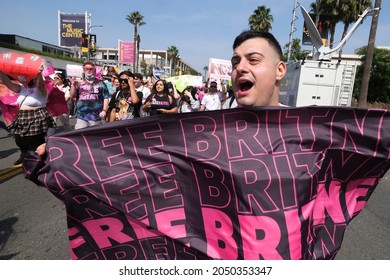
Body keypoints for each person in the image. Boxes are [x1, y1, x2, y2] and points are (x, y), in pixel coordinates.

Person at [0, 68, 55, 165]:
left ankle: (39, 160)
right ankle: (24, 155)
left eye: (31, 77)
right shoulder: (22, 88)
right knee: (19, 139)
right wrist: (1, 72)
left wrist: (38, 74)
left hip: (36, 117)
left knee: (34, 141)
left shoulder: (41, 90)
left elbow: (41, 84)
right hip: (22, 117)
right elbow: (8, 83)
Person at [230, 30, 286, 107]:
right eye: (236, 63)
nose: (240, 67)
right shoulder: (217, 119)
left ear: (279, 70)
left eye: (253, 60)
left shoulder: (303, 119)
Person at [69, 62, 110, 130]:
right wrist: (73, 85)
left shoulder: (101, 83)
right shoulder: (79, 83)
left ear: (94, 70)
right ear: (83, 70)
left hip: (96, 116)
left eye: (91, 69)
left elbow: (106, 97)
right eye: (86, 69)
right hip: (81, 116)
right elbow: (72, 96)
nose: (88, 70)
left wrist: (104, 110)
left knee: (94, 137)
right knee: (81, 136)